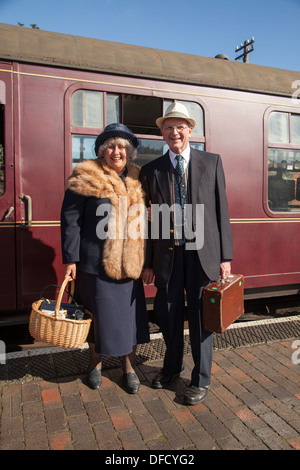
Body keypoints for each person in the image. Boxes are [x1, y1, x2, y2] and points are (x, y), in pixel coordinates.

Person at [141, 102, 233, 405]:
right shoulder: (151, 170)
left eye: (180, 127)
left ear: (190, 130)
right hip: (168, 255)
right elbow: (150, 222)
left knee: (200, 319)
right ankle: (171, 369)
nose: (174, 132)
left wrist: (225, 258)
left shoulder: (212, 162)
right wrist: (149, 262)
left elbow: (222, 213)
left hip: (202, 254)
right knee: (168, 316)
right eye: (168, 127)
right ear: (162, 134)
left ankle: (200, 378)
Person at [61, 123, 149, 393]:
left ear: (130, 152)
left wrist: (151, 262)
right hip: (95, 263)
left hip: (130, 263)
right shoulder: (86, 175)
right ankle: (94, 365)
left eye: (122, 146)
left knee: (129, 319)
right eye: (110, 146)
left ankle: (129, 367)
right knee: (96, 316)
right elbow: (70, 220)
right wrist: (71, 260)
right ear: (102, 150)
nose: (116, 151)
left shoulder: (138, 178)